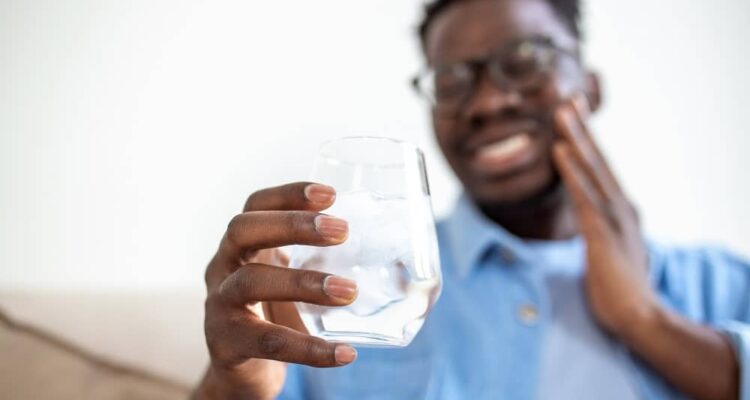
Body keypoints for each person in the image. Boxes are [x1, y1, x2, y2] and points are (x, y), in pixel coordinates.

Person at [192, 0, 750, 398]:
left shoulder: (726, 286)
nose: (486, 102)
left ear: (591, 86)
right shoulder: (347, 299)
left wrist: (644, 319)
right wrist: (232, 386)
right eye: (453, 80)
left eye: (526, 60)